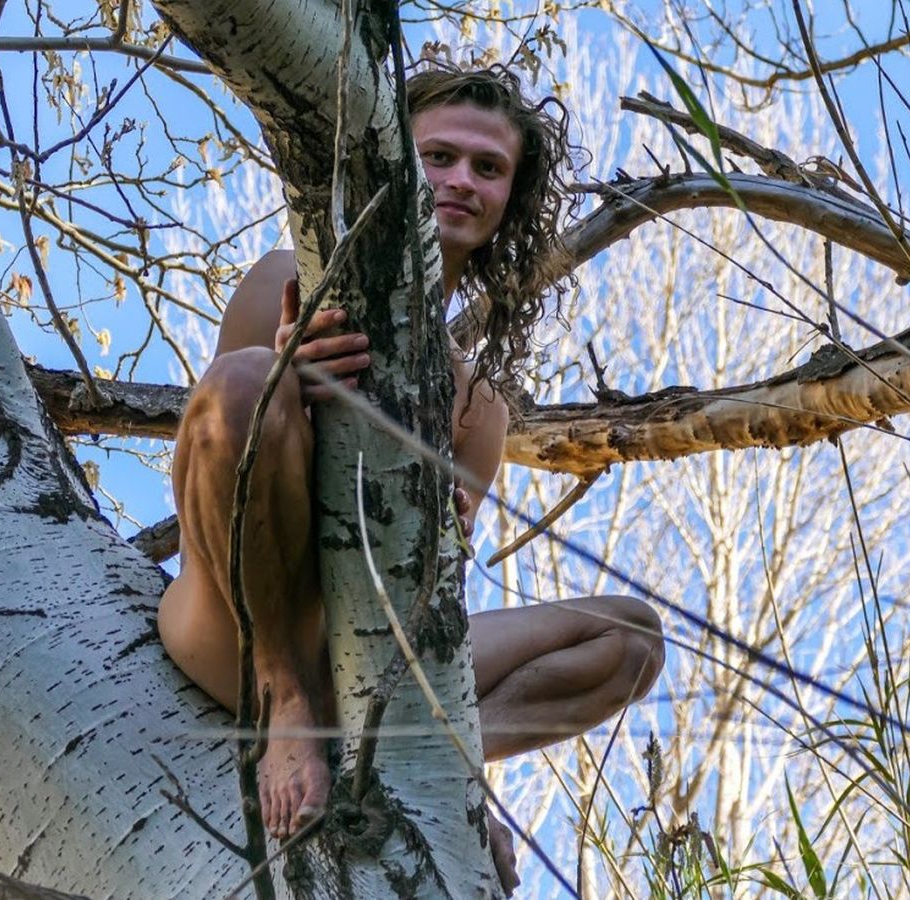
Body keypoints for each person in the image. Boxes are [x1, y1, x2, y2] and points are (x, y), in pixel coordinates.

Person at [157, 66, 665, 883]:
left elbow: (426, 607)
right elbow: (213, 460)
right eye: (439, 157)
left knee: (631, 637)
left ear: (509, 202)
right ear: (392, 162)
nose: (461, 180)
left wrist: (440, 533)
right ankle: (285, 707)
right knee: (244, 380)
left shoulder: (479, 408)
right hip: (237, 635)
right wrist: (289, 379)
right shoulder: (284, 279)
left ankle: (442, 777)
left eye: (488, 168)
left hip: (364, 678)